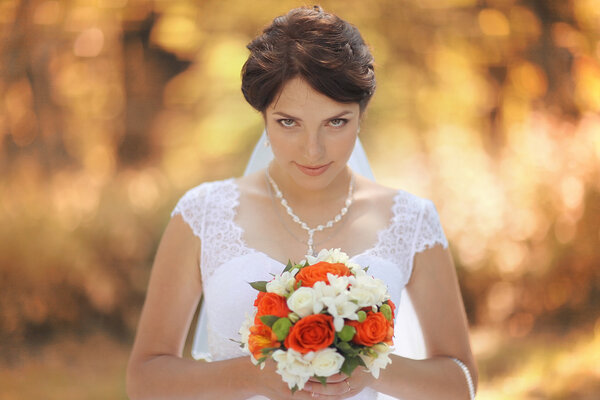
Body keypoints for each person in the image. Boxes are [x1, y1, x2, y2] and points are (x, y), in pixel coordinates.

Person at [126, 6, 477, 400]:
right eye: (288, 122)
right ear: (263, 116)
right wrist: (253, 376)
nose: (313, 150)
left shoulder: (411, 219)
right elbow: (145, 379)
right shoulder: (203, 213)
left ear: (361, 115)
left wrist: (371, 368)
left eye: (336, 122)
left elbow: (460, 382)